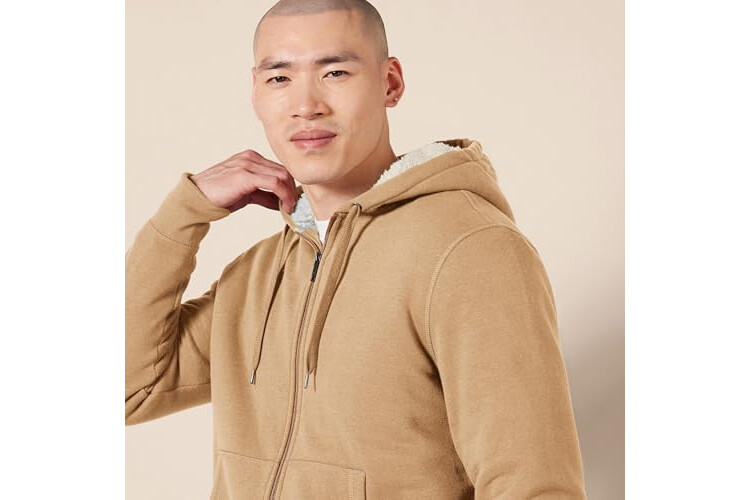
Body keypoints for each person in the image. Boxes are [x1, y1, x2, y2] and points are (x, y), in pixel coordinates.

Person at [125, 0, 588, 498]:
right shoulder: (256, 274)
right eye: (279, 78)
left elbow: (534, 486)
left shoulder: (470, 250)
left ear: (390, 83)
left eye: (336, 72)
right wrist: (184, 211)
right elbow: (128, 391)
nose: (306, 105)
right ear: (255, 92)